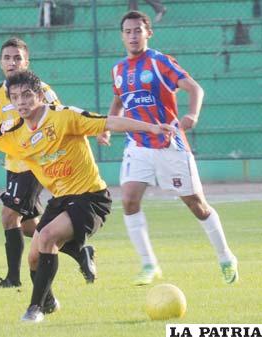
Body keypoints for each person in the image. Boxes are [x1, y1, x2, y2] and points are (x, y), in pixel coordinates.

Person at [0, 70, 174, 322]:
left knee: (48, 238)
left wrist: (152, 128)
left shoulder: (65, 116)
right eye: (16, 97)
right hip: (60, 200)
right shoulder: (13, 130)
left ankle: (34, 308)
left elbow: (110, 122)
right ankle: (49, 301)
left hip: (90, 197)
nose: (22, 102)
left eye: (28, 95)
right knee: (33, 258)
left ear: (41, 95)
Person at [97, 10, 238, 286]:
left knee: (197, 205)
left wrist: (192, 115)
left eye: (138, 30)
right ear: (122, 36)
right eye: (128, 31)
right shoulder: (118, 70)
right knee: (128, 199)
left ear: (149, 32)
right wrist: (106, 127)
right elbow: (119, 99)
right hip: (137, 145)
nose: (133, 36)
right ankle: (149, 264)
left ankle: (225, 256)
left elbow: (195, 88)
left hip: (169, 143)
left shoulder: (160, 63)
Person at [0, 37, 97, 288]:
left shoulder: (42, 90)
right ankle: (78, 250)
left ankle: (13, 278)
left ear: (27, 61)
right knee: (31, 227)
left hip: (33, 164)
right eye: (7, 58)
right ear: (0, 62)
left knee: (9, 217)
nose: (12, 62)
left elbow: (62, 119)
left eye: (17, 58)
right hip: (13, 164)